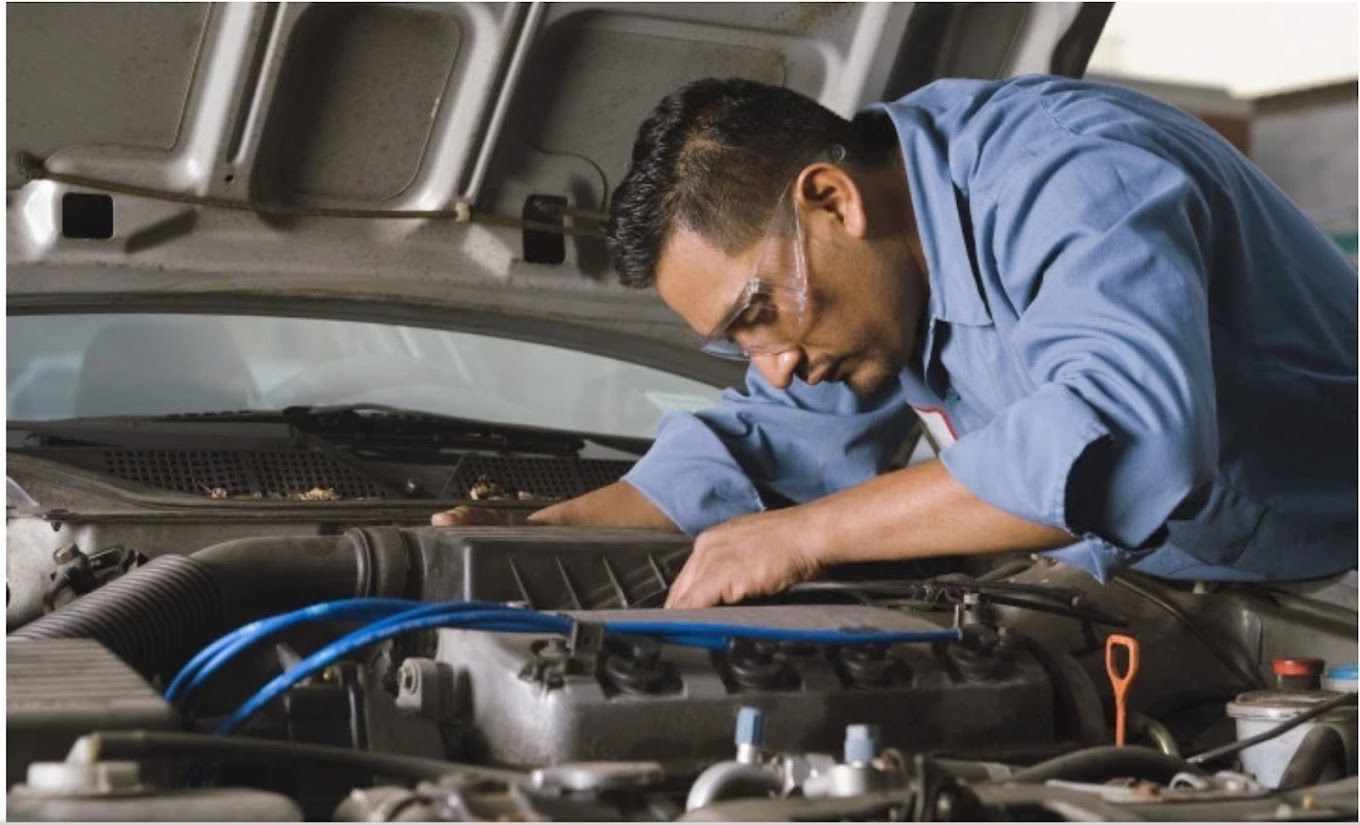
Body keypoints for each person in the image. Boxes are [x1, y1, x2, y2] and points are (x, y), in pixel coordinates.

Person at [433, 75, 1358, 609]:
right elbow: (776, 438)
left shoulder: (1070, 175)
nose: (776, 363)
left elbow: (1130, 438)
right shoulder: (864, 278)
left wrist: (802, 538)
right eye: (736, 342)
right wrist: (551, 535)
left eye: (758, 312)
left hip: (1337, 582)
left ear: (832, 199)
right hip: (1188, 586)